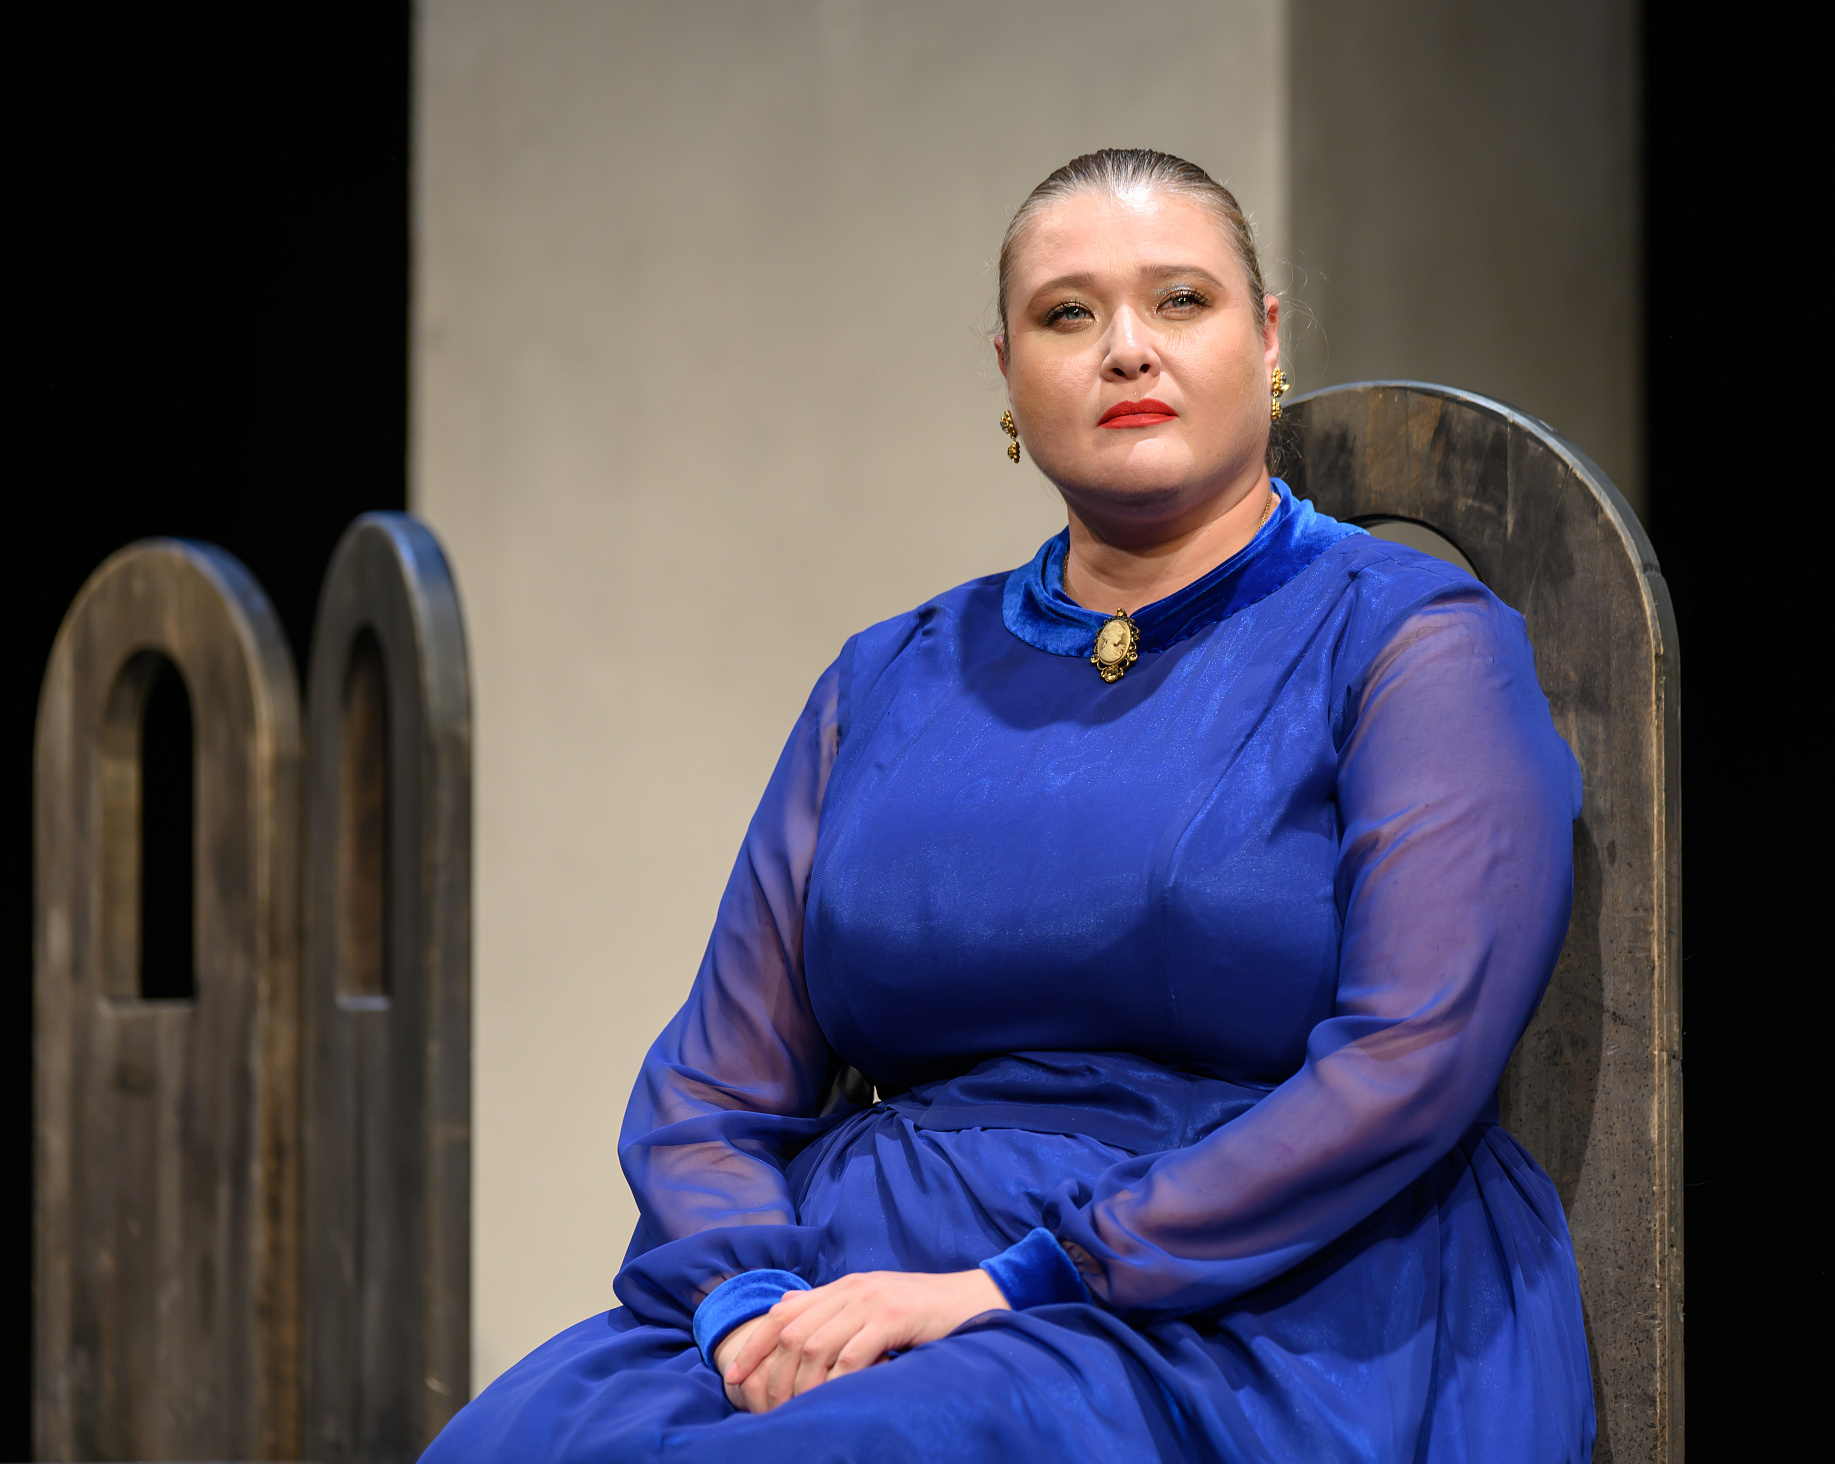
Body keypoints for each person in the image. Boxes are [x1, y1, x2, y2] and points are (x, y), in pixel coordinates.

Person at [423, 148, 1595, 1464]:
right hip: (856, 1276)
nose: (1127, 348)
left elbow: (1411, 1058)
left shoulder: (1406, 642)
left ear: (1268, 340)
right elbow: (711, 1088)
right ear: (1007, 373)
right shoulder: (887, 679)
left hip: (1241, 1291)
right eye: (1067, 313)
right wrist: (747, 1303)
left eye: (1181, 300)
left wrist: (1021, 1281)